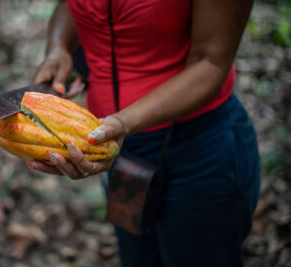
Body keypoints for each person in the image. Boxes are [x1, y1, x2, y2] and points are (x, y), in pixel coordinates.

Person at [24, 0, 260, 266]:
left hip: (197, 148)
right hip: (120, 146)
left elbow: (211, 62)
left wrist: (123, 123)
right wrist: (58, 47)